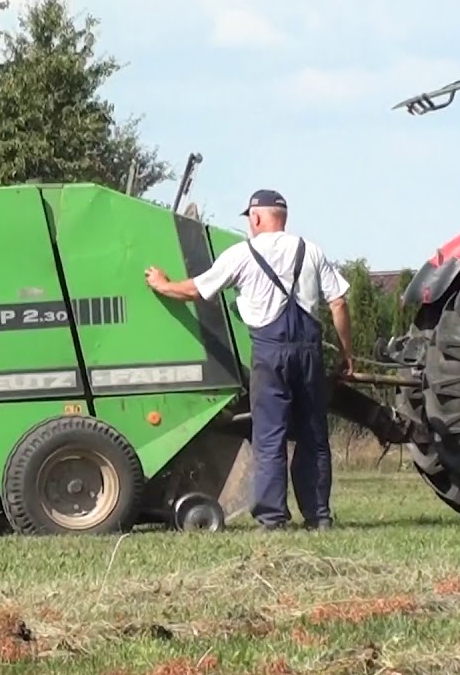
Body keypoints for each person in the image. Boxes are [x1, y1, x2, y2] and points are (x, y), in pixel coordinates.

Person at [143, 189, 354, 531]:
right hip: (309, 353)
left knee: (270, 436)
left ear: (256, 217)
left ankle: (272, 518)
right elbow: (339, 304)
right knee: (314, 437)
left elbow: (196, 290)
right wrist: (347, 354)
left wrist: (163, 284)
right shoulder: (311, 251)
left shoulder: (242, 254)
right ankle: (319, 517)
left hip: (270, 355)